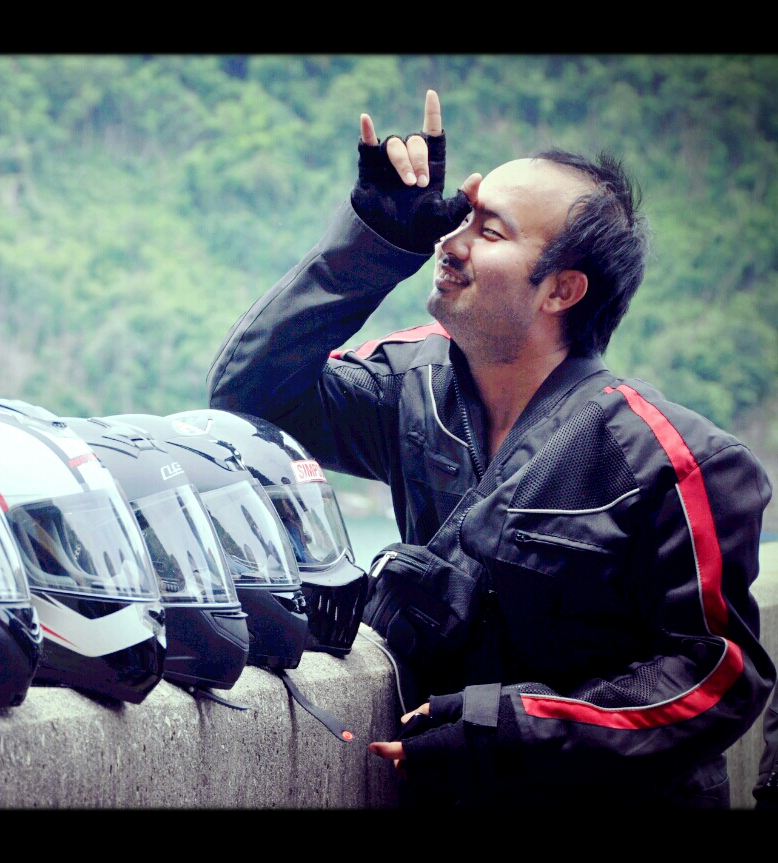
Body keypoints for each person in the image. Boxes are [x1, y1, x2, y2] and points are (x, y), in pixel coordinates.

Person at [207, 90, 775, 807]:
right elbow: (250, 397)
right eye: (460, 219)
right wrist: (374, 245)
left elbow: (718, 678)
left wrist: (509, 729)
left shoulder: (672, 461)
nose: (451, 242)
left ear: (561, 289)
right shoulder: (411, 385)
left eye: (490, 231)